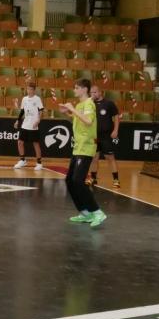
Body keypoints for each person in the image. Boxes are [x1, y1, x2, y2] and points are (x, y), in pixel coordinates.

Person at [59, 78, 107, 228]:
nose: (74, 90)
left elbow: (88, 121)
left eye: (76, 87)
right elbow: (78, 121)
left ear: (84, 89)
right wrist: (67, 113)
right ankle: (85, 213)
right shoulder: (80, 105)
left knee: (78, 181)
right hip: (78, 147)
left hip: (86, 147)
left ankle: (97, 212)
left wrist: (72, 109)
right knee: (69, 180)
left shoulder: (89, 104)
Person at [89, 85, 121, 188]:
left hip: (106, 136)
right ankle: (93, 179)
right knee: (94, 158)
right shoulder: (90, 104)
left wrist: (115, 130)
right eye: (91, 93)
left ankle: (116, 180)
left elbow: (116, 116)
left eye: (94, 92)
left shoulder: (109, 103)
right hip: (94, 136)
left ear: (100, 92)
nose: (92, 94)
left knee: (110, 157)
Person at [13, 82, 45, 171]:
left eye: (31, 89)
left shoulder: (37, 99)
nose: (29, 91)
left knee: (36, 144)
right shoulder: (24, 99)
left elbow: (41, 110)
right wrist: (17, 121)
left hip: (33, 125)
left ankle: (39, 163)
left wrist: (38, 120)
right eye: (28, 89)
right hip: (25, 125)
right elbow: (22, 111)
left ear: (34, 90)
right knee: (20, 142)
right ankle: (22, 160)